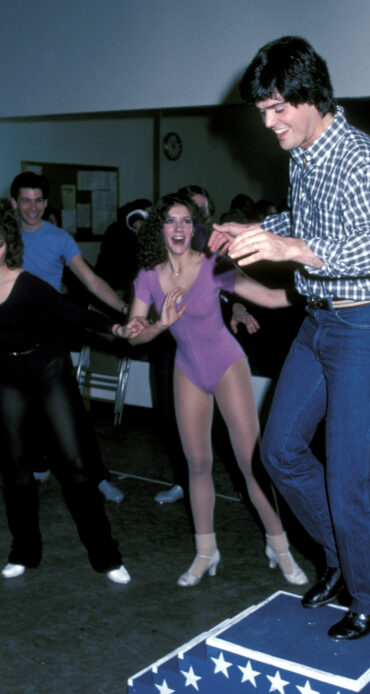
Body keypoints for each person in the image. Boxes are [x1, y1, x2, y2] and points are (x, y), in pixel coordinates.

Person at [209, 36, 370, 640]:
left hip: (366, 323)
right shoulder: (305, 154)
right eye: (261, 112)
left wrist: (290, 250)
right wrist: (261, 227)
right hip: (319, 320)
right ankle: (345, 562)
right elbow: (311, 223)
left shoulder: (360, 157)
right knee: (280, 451)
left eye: (276, 109)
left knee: (348, 476)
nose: (268, 124)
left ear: (310, 96)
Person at [128, 192, 307, 588]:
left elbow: (271, 298)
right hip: (187, 369)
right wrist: (161, 323)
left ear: (195, 229)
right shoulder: (146, 277)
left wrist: (315, 288)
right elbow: (135, 335)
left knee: (250, 464)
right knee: (198, 464)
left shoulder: (213, 267)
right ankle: (206, 551)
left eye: (186, 221)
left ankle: (279, 546)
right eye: (171, 221)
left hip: (227, 363)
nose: (179, 228)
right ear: (160, 227)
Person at [0, 203, 143, 581]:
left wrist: (115, 328)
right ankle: (25, 552)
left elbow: (69, 310)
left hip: (47, 370)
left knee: (75, 467)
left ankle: (106, 557)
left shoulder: (25, 282)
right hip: (2, 376)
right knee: (16, 469)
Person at [10, 171, 127, 501]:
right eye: (25, 201)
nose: (32, 208)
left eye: (38, 201)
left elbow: (91, 281)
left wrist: (123, 309)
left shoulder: (59, 238)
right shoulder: (4, 238)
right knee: (21, 409)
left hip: (49, 334)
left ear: (46, 203)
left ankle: (98, 475)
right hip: (12, 337)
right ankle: (38, 460)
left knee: (71, 410)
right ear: (14, 203)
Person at [153, 185, 259, 506]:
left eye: (201, 211)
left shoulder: (215, 249)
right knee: (172, 416)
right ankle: (182, 481)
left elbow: (233, 287)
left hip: (211, 341)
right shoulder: (162, 247)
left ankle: (246, 482)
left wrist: (238, 306)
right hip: (172, 341)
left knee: (227, 419)